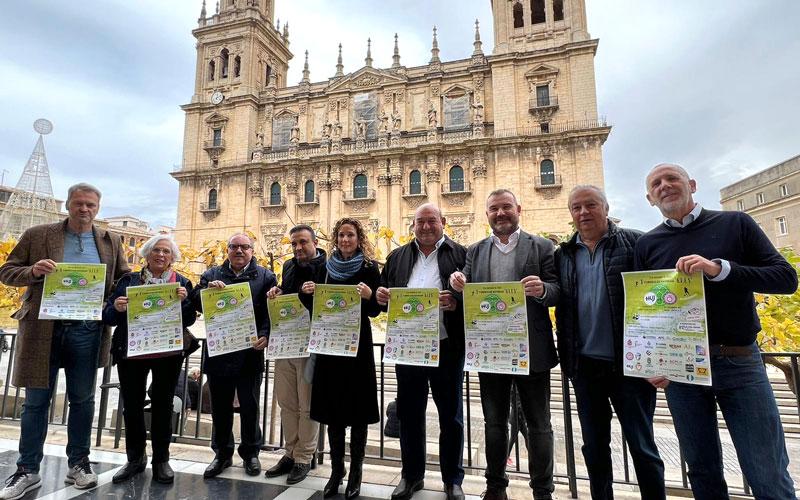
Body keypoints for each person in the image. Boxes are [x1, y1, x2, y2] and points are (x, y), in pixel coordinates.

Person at [636, 164, 798, 499]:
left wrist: (719, 269)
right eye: (656, 184)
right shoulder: (648, 244)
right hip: (682, 373)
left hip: (739, 364)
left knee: (766, 471)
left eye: (672, 179)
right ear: (650, 198)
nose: (665, 186)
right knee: (701, 471)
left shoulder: (735, 223)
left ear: (692, 184)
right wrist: (651, 361)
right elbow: (645, 312)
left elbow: (785, 278)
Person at [0, 183, 129, 499]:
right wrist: (33, 270)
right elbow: (7, 272)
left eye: (90, 205)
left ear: (97, 208)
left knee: (83, 400)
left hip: (86, 329)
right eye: (79, 204)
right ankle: (27, 470)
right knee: (35, 402)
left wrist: (114, 301)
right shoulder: (38, 234)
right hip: (43, 330)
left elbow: (123, 280)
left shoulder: (110, 240)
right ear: (68, 205)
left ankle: (79, 464)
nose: (84, 210)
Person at [554, 185, 665, 499]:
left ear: (605, 207)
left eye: (591, 205)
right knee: (594, 445)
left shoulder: (636, 242)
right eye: (576, 208)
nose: (584, 213)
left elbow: (659, 300)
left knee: (642, 445)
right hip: (585, 367)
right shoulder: (563, 254)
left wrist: (661, 358)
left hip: (629, 366)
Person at [450, 189, 559, 500]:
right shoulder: (475, 250)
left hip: (532, 350)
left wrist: (542, 290)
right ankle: (495, 486)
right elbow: (467, 294)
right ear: (487, 214)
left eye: (506, 207)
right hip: (492, 350)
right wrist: (457, 286)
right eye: (494, 209)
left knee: (540, 425)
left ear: (518, 209)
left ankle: (543, 491)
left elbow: (558, 289)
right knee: (494, 423)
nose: (500, 213)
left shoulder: (541, 246)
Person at [376, 203, 467, 500]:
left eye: (432, 221)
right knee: (410, 414)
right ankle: (411, 476)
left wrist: (456, 303)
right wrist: (380, 296)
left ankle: (452, 479)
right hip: (409, 348)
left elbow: (474, 297)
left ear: (443, 222)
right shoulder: (398, 256)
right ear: (412, 225)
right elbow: (384, 295)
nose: (426, 227)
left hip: (446, 347)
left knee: (450, 417)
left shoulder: (462, 254)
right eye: (420, 222)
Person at [103, 235, 198, 484]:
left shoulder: (182, 282)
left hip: (167, 353)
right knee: (132, 405)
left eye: (166, 251)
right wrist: (118, 308)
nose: (161, 255)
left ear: (172, 258)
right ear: (147, 254)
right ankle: (135, 459)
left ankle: (161, 460)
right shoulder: (128, 281)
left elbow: (189, 320)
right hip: (132, 352)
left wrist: (185, 301)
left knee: (163, 405)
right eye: (156, 250)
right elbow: (108, 315)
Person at [192, 233, 276, 478]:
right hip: (219, 351)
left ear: (252, 250)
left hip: (250, 351)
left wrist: (266, 334)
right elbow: (196, 303)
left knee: (250, 405)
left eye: (244, 247)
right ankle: (222, 454)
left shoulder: (266, 276)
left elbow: (270, 311)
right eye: (234, 247)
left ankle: (251, 454)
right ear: (227, 250)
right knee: (220, 406)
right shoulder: (212, 274)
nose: (239, 251)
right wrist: (206, 291)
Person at [308, 217, 381, 499]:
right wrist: (308, 293)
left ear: (358, 238)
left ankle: (356, 473)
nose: (345, 240)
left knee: (358, 414)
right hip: (330, 348)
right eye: (341, 235)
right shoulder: (323, 268)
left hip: (357, 350)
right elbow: (314, 307)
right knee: (333, 415)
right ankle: (337, 471)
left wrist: (370, 294)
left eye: (350, 235)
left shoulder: (369, 268)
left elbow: (376, 310)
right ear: (336, 239)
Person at [264, 225, 325, 484]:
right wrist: (277, 291)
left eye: (303, 242)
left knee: (308, 405)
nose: (298, 248)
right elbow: (287, 293)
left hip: (311, 345)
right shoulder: (288, 266)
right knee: (286, 402)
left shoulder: (327, 266)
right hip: (286, 341)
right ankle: (290, 451)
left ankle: (304, 457)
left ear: (315, 242)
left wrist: (317, 291)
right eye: (294, 244)